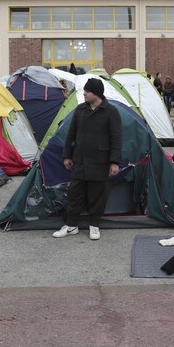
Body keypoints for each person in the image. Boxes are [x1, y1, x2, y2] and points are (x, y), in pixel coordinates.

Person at [52, 78, 122, 241]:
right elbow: (71, 134)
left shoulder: (111, 112)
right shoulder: (80, 110)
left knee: (98, 194)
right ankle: (71, 225)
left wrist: (114, 162)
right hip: (80, 161)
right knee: (74, 194)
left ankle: (94, 225)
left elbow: (117, 139)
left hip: (101, 162)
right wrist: (67, 155)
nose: (84, 93)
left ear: (96, 93)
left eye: (87, 91)